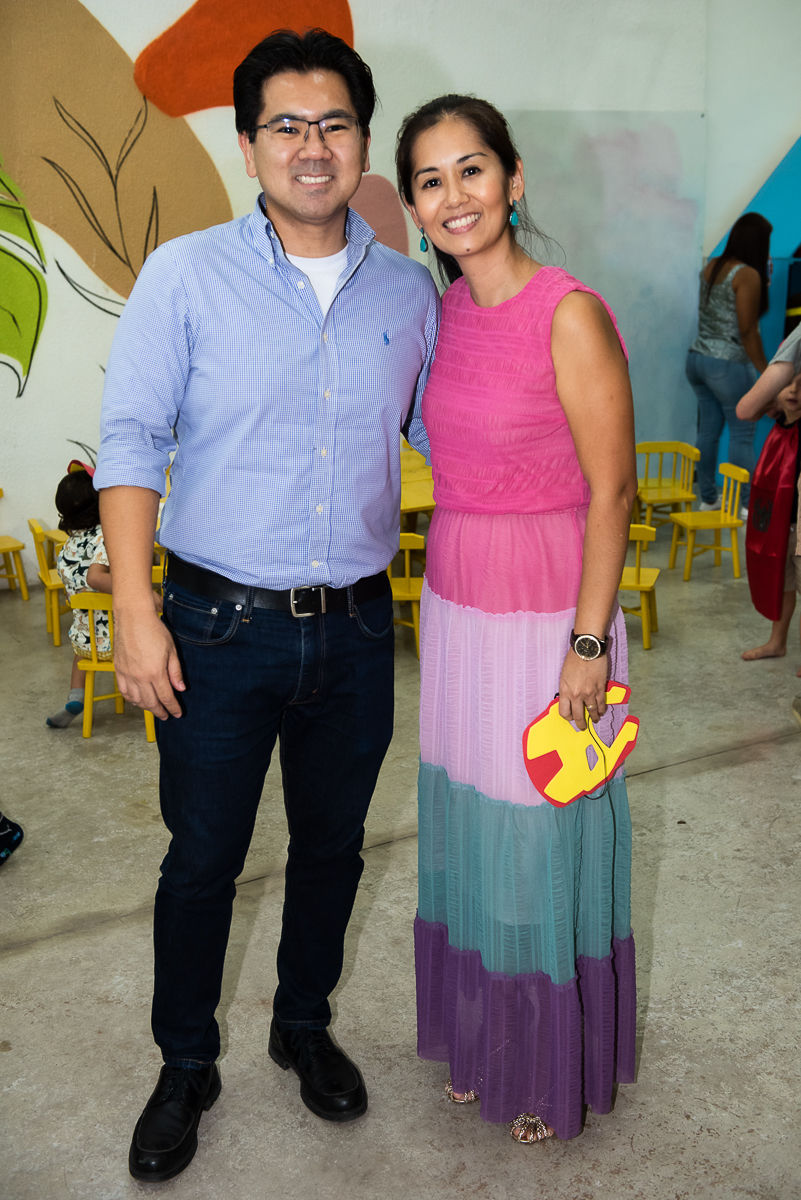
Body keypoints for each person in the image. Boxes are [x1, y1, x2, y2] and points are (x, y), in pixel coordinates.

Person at [94, 30, 438, 1184]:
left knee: (333, 847)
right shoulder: (186, 274)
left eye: (334, 123)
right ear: (248, 146)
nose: (312, 146)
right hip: (216, 628)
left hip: (357, 625)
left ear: (362, 143)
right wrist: (135, 610)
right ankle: (185, 1063)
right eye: (286, 125)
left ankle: (302, 1025)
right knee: (203, 859)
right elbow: (130, 440)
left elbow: (450, 437)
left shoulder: (408, 290)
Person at [396, 95, 638, 1144]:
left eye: (471, 169)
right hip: (458, 603)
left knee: (538, 831)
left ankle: (542, 1064)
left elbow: (613, 489)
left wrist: (587, 644)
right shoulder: (441, 313)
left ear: (513, 178)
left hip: (549, 608)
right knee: (472, 824)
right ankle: (481, 1037)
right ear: (414, 204)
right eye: (431, 180)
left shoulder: (567, 311)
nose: (454, 195)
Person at [686, 212, 773, 516]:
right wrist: (767, 372)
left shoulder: (712, 266)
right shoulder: (746, 274)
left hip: (697, 360)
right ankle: (748, 505)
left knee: (708, 431)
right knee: (742, 432)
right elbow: (748, 331)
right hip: (726, 363)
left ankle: (708, 498)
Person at [45, 462, 113, 729]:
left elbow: (72, 591)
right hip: (120, 637)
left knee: (81, 652)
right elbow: (96, 578)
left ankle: (75, 697)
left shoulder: (66, 548)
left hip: (86, 641)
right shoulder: (105, 537)